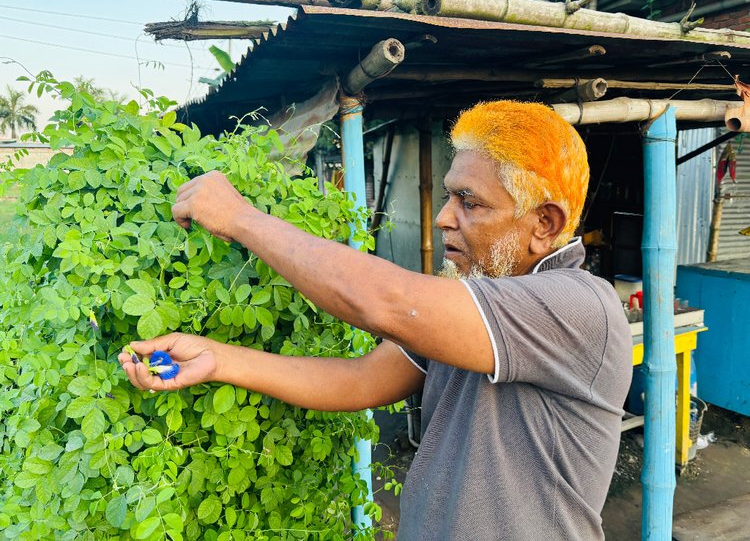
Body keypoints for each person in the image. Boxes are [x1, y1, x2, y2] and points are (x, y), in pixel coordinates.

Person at [119, 101, 632, 540]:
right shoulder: (473, 301)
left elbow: (380, 301)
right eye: (450, 194)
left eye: (469, 202)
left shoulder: (579, 306)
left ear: (545, 224)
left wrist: (240, 217)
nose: (443, 216)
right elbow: (361, 379)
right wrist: (216, 359)